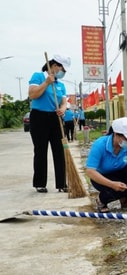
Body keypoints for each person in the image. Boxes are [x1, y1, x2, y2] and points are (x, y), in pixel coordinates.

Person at [28, 54, 71, 193]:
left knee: (59, 150)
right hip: (39, 117)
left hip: (55, 118)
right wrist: (46, 82)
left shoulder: (61, 85)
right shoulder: (38, 76)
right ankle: (40, 183)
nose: (63, 72)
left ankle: (62, 183)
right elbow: (32, 94)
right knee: (41, 150)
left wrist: (63, 109)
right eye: (62, 69)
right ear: (54, 66)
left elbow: (64, 102)